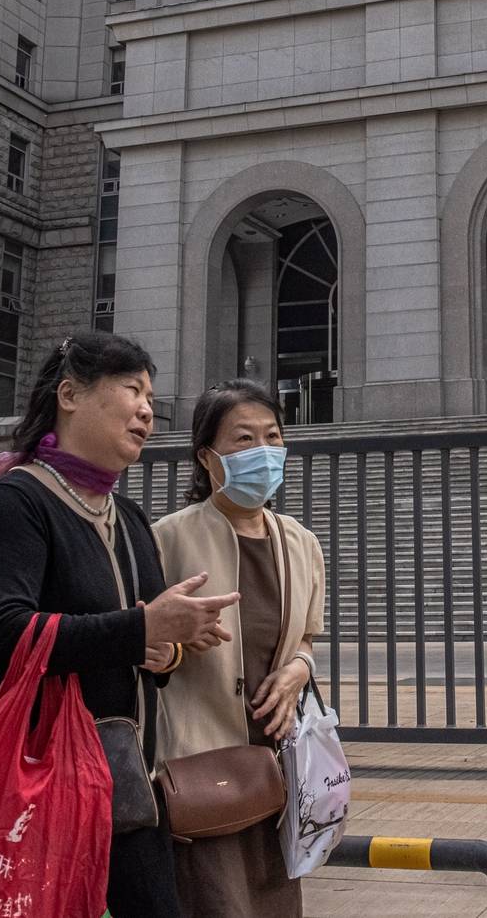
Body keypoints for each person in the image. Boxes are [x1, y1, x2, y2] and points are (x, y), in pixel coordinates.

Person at [0, 332, 238, 918]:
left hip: (128, 787)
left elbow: (144, 636)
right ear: (70, 395)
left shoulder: (129, 516)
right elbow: (0, 638)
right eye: (132, 389)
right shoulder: (15, 502)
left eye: (150, 396)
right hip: (39, 783)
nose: (146, 409)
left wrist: (168, 649)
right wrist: (141, 630)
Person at [154, 380, 326, 918]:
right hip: (200, 767)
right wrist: (170, 643)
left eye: (272, 437)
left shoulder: (299, 541)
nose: (264, 452)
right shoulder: (166, 538)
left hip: (279, 767)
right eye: (244, 439)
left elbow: (306, 634)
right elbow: (140, 641)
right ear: (208, 457)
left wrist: (300, 666)